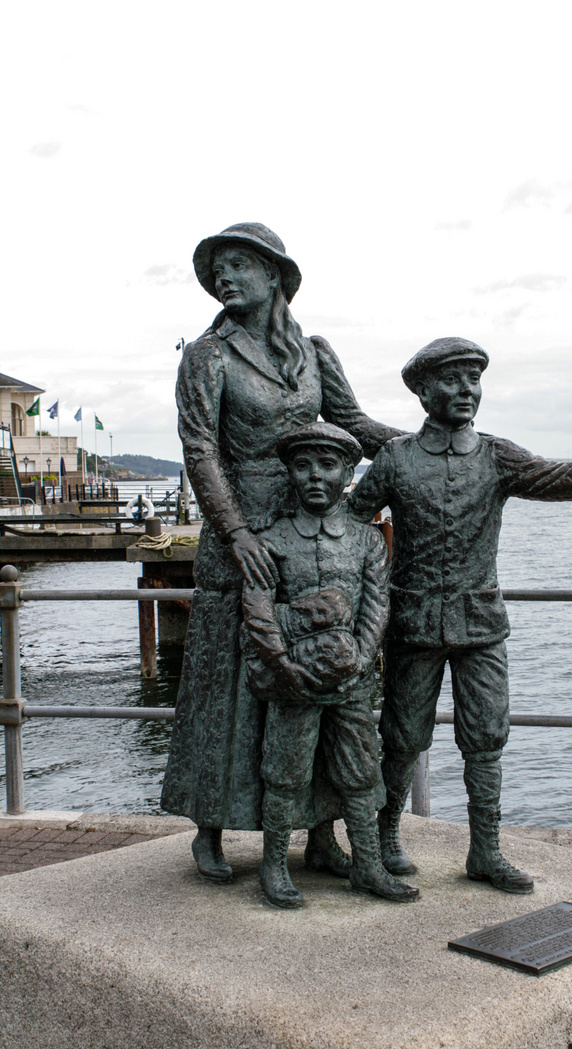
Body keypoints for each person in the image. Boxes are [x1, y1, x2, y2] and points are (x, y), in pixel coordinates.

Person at [348, 336, 572, 894]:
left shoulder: (496, 456)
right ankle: (385, 839)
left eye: (473, 379)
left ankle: (486, 851)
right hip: (413, 623)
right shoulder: (396, 458)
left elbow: (554, 477)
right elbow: (351, 522)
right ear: (423, 390)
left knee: (486, 739)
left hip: (480, 627)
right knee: (401, 738)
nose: (466, 390)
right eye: (451, 379)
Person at [160, 223, 403, 883]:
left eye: (238, 265)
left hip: (315, 531)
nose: (224, 279)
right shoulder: (208, 356)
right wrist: (235, 533)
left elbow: (352, 425)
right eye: (218, 271)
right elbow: (200, 451)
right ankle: (208, 829)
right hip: (242, 539)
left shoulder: (316, 354)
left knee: (321, 680)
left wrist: (418, 446)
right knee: (225, 690)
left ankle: (321, 834)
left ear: (276, 275)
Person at [241, 422, 419, 907]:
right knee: (285, 772)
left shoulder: (366, 541)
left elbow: (376, 605)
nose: (314, 476)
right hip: (292, 682)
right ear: (290, 475)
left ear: (347, 474)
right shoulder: (270, 540)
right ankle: (273, 865)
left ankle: (368, 865)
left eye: (327, 465)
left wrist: (362, 657)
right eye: (302, 466)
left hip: (352, 682)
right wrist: (281, 664)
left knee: (360, 770)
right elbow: (257, 608)